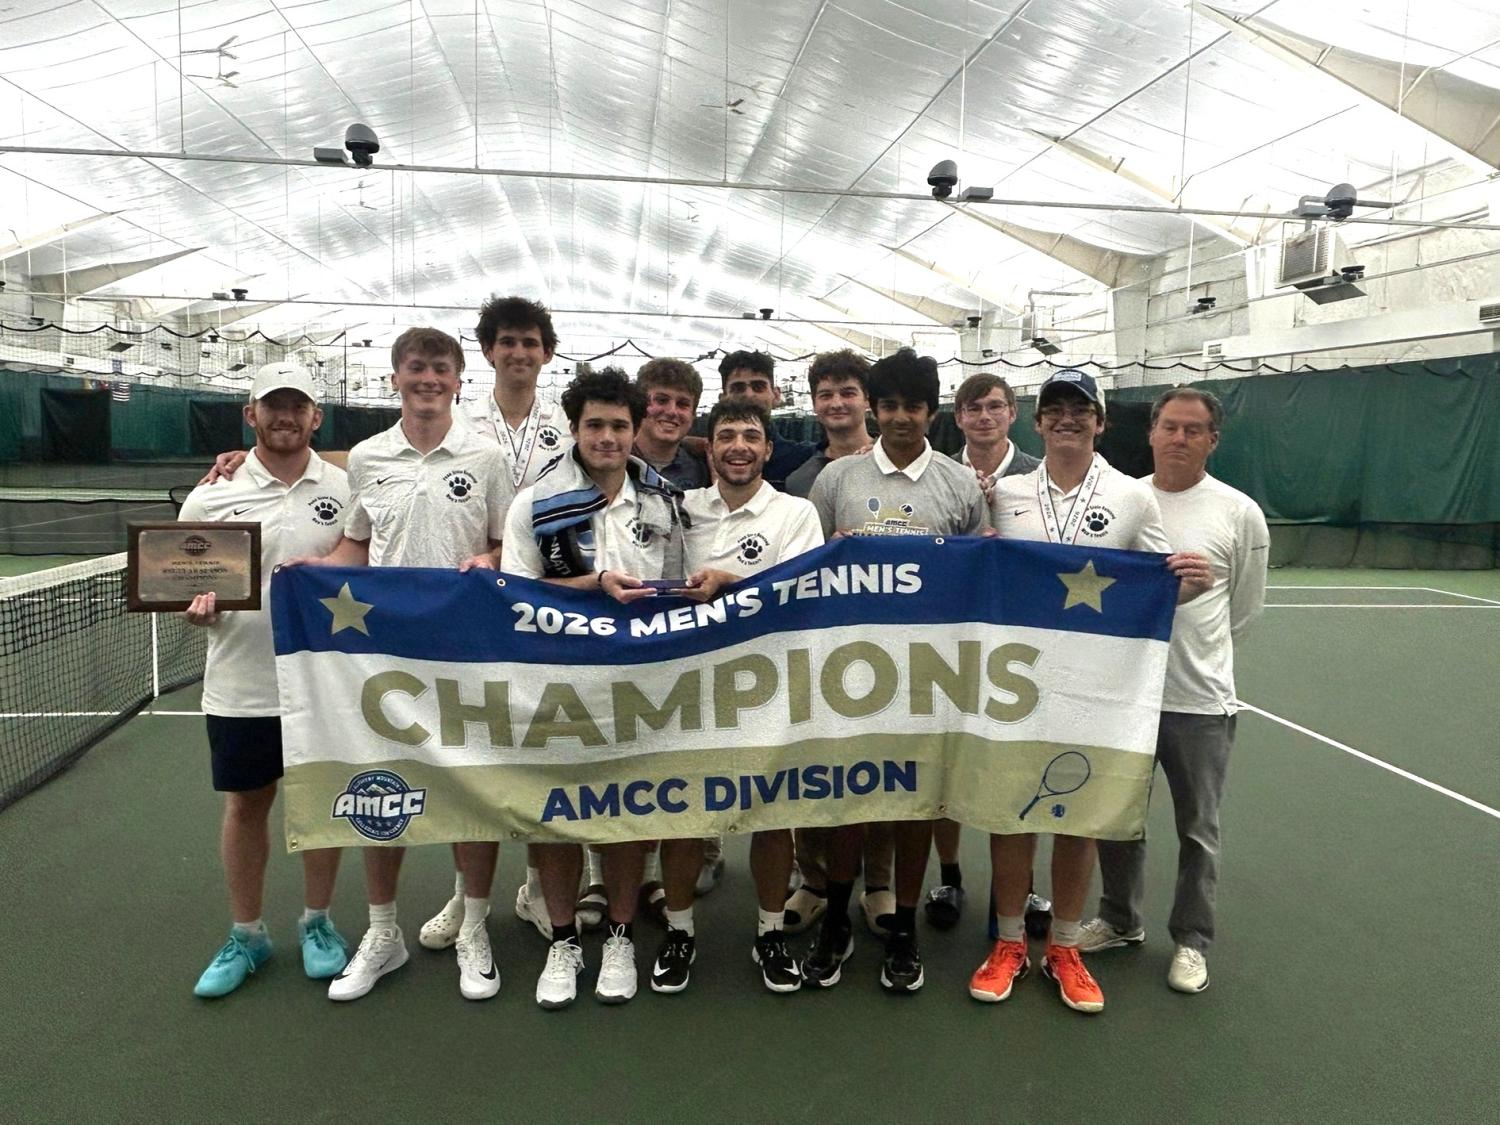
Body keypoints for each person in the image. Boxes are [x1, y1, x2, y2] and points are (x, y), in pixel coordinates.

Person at [972, 368, 1211, 1015]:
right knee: (1010, 815)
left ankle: (1067, 946)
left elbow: (1162, 579)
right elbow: (976, 568)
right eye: (1055, 409)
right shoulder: (1006, 493)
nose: (1067, 418)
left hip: (1096, 687)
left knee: (1076, 817)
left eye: (1081, 409)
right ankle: (1010, 942)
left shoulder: (1133, 498)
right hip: (1015, 686)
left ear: (1101, 422)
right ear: (1039, 421)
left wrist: (1189, 579)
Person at [292, 328, 514, 1002]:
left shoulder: (485, 456)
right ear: (395, 378)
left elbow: (509, 545)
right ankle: (382, 932)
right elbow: (355, 547)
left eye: (439, 368)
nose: (427, 378)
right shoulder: (365, 457)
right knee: (379, 785)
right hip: (382, 656)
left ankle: (475, 924)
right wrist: (305, 572)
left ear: (457, 379)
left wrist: (494, 561)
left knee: (473, 788)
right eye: (415, 367)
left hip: (466, 649)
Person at [499, 366, 689, 1009]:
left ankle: (618, 935)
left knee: (628, 812)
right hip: (555, 679)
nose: (607, 437)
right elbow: (513, 594)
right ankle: (561, 940)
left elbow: (675, 590)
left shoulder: (664, 501)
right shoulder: (534, 502)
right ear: (574, 429)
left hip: (639, 682)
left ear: (636, 430)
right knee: (557, 813)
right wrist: (595, 584)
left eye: (619, 426)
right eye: (594, 425)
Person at [803, 348, 988, 993]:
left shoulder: (961, 485)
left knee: (916, 804)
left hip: (930, 677)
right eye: (890, 406)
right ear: (875, 411)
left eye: (913, 406)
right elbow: (809, 574)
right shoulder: (836, 482)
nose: (902, 418)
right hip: (849, 676)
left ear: (931, 411)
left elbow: (977, 581)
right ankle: (834, 922)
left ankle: (905, 926)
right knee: (845, 800)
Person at [1075, 388, 1268, 994]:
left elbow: (1242, 610)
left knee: (1197, 828)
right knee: (1116, 819)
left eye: (1193, 430)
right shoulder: (1123, 500)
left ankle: (1191, 941)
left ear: (1212, 440)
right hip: (1123, 694)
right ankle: (1119, 919)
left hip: (1198, 700)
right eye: (1169, 427)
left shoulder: (1240, 513)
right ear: (1151, 433)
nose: (1179, 439)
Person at [181, 362, 351, 998]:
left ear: (315, 417)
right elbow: (180, 584)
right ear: (250, 415)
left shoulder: (345, 484)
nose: (285, 416)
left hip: (325, 681)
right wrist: (193, 607)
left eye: (297, 406)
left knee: (322, 802)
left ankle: (318, 923)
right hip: (241, 682)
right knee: (247, 805)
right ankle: (246, 934)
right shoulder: (212, 494)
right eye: (271, 406)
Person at [649, 397, 824, 995]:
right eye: (727, 436)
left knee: (773, 815)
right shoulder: (679, 509)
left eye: (751, 436)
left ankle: (770, 932)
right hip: (687, 688)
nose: (739, 446)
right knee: (682, 813)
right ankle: (679, 931)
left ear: (768, 449)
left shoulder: (797, 514)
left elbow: (804, 594)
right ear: (710, 446)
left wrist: (732, 585)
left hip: (770, 688)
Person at [419, 295, 576, 951]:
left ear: (546, 351)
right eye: (507, 341)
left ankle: (541, 888)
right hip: (472, 610)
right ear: (487, 351)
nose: (519, 352)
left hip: (546, 609)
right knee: (474, 755)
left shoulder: (569, 423)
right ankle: (467, 893)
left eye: (531, 341)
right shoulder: (455, 421)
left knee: (542, 752)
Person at [779, 350, 889, 937]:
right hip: (820, 652)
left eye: (848, 391)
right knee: (814, 769)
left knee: (884, 769)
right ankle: (813, 880)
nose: (836, 403)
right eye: (825, 394)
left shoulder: (902, 464)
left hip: (894, 651)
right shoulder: (801, 477)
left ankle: (880, 882)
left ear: (865, 398)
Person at [927, 373, 1042, 932]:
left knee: (1019, 768)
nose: (985, 417)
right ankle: (949, 875)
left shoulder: (1041, 477)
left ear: (1013, 411)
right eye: (974, 408)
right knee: (950, 767)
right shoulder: (942, 474)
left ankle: (1021, 889)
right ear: (959, 414)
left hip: (1023, 647)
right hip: (953, 645)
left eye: (995, 406)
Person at [718, 350, 818, 489]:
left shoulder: (804, 458)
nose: (749, 395)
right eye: (738, 388)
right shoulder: (704, 459)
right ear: (723, 399)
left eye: (758, 387)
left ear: (776, 395)